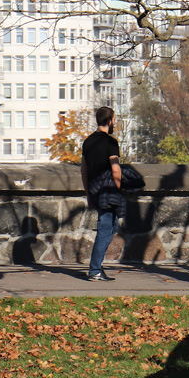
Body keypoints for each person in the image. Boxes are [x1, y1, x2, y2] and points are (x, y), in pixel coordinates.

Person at [80, 106, 121, 282]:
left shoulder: (88, 142)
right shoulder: (111, 143)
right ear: (109, 121)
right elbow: (116, 170)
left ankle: (97, 265)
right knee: (105, 227)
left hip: (95, 190)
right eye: (114, 119)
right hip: (108, 191)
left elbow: (84, 169)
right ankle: (95, 269)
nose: (115, 122)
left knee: (112, 226)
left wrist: (88, 193)